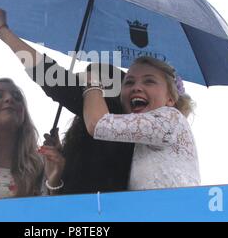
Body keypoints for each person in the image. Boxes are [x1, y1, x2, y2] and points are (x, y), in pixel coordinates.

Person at [0, 9, 135, 194]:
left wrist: (3, 32)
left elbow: (50, 76)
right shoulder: (85, 140)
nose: (83, 87)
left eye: (88, 86)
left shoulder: (118, 127)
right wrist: (60, 166)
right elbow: (66, 194)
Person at [82, 56, 201, 190]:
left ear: (170, 99)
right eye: (129, 82)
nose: (136, 87)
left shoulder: (171, 117)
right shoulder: (138, 141)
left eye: (149, 81)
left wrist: (92, 84)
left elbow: (97, 124)